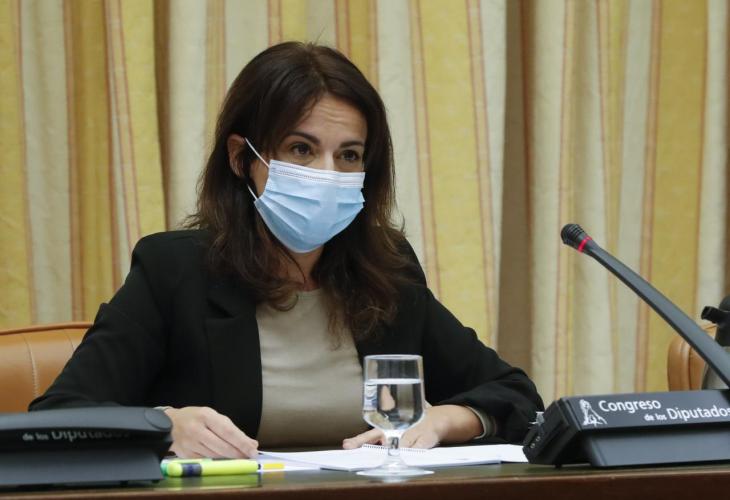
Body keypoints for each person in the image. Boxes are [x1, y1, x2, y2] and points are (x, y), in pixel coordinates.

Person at [30, 42, 543, 458]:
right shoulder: (175, 272)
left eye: (349, 155)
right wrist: (163, 425)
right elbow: (59, 416)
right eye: (302, 149)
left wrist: (447, 419)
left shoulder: (387, 273)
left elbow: (516, 395)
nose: (327, 173)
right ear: (242, 158)